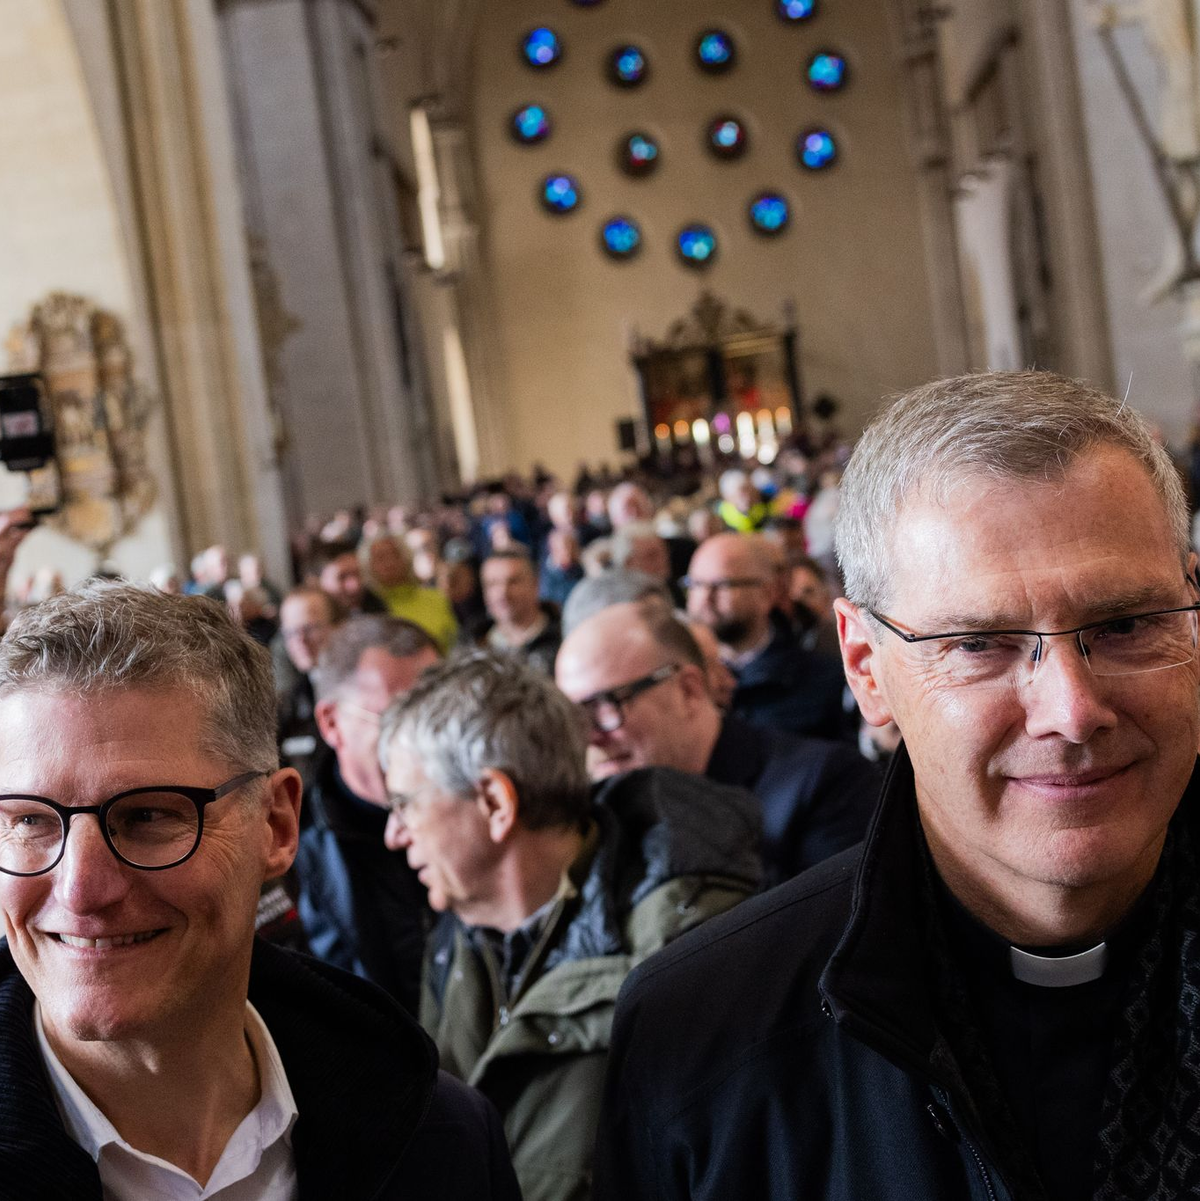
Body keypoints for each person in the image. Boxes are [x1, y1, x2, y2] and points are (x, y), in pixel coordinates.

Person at [594, 370, 1200, 1199]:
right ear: (864, 666)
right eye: (979, 643)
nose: (1072, 710)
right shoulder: (701, 1037)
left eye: (1126, 624)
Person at [0, 582, 520, 1198]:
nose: (81, 889)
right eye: (29, 820)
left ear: (276, 825)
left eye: (148, 817)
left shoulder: (441, 1140)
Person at [379, 652, 762, 1201]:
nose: (394, 834)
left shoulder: (686, 952)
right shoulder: (456, 935)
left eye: (404, 805)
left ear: (494, 802)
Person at [557, 602, 878, 884]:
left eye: (605, 704)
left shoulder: (824, 785)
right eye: (572, 716)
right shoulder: (594, 822)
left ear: (688, 690)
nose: (589, 738)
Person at [294, 615, 440, 1013]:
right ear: (331, 723)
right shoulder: (287, 858)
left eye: (438, 716)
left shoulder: (476, 811)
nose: (425, 744)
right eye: (397, 719)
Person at [685, 532, 850, 740]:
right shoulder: (675, 680)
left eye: (723, 585)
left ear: (767, 593)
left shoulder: (825, 680)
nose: (705, 598)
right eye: (695, 585)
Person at [276, 586, 344, 784]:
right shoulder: (287, 706)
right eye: (290, 633)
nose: (300, 640)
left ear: (339, 627)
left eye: (310, 629)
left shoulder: (367, 694)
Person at [478, 548, 562, 675]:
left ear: (535, 584)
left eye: (513, 582)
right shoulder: (473, 648)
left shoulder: (564, 639)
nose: (502, 593)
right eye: (492, 584)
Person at [310, 538, 386, 614]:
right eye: (342, 577)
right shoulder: (306, 621)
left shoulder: (376, 606)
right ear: (316, 582)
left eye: (358, 573)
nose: (355, 586)